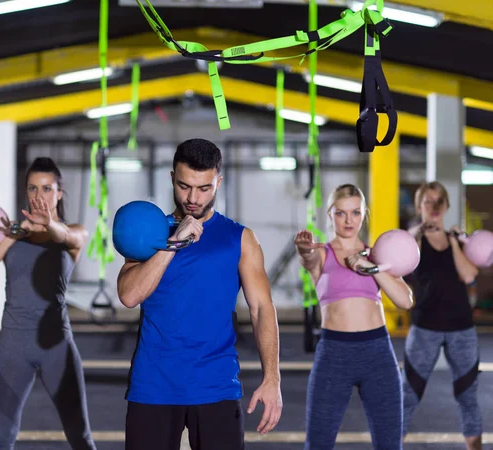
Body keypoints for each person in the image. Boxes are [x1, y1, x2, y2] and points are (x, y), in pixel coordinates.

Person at [117, 138, 282, 450]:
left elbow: (262, 308)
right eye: (184, 186)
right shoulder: (149, 231)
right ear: (172, 179)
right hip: (153, 385)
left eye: (204, 188)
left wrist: (272, 378)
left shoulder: (240, 238)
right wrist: (174, 244)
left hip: (216, 385)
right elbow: (129, 295)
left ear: (218, 182)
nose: (192, 197)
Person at [0, 157, 96, 450]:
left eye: (47, 188)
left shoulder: (73, 234)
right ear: (26, 192)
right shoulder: (12, 234)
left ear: (59, 193)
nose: (40, 196)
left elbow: (64, 234)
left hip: (57, 347)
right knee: (1, 438)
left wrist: (49, 224)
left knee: (80, 437)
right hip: (13, 347)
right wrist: (11, 237)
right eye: (33, 188)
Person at [295, 183, 413, 450]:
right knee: (318, 443)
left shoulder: (378, 255)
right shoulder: (322, 253)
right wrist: (304, 248)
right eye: (341, 213)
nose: (349, 220)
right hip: (334, 354)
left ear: (364, 214)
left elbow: (405, 300)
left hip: (378, 355)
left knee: (389, 444)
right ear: (330, 215)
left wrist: (370, 268)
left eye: (355, 212)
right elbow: (307, 259)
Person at [402, 181, 482, 450]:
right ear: (419, 206)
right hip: (425, 328)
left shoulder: (456, 239)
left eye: (439, 202)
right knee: (408, 396)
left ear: (446, 206)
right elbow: (397, 250)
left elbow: (469, 275)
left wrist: (453, 241)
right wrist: (419, 231)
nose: (434, 207)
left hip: (462, 329)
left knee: (468, 397)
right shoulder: (412, 241)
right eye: (428, 202)